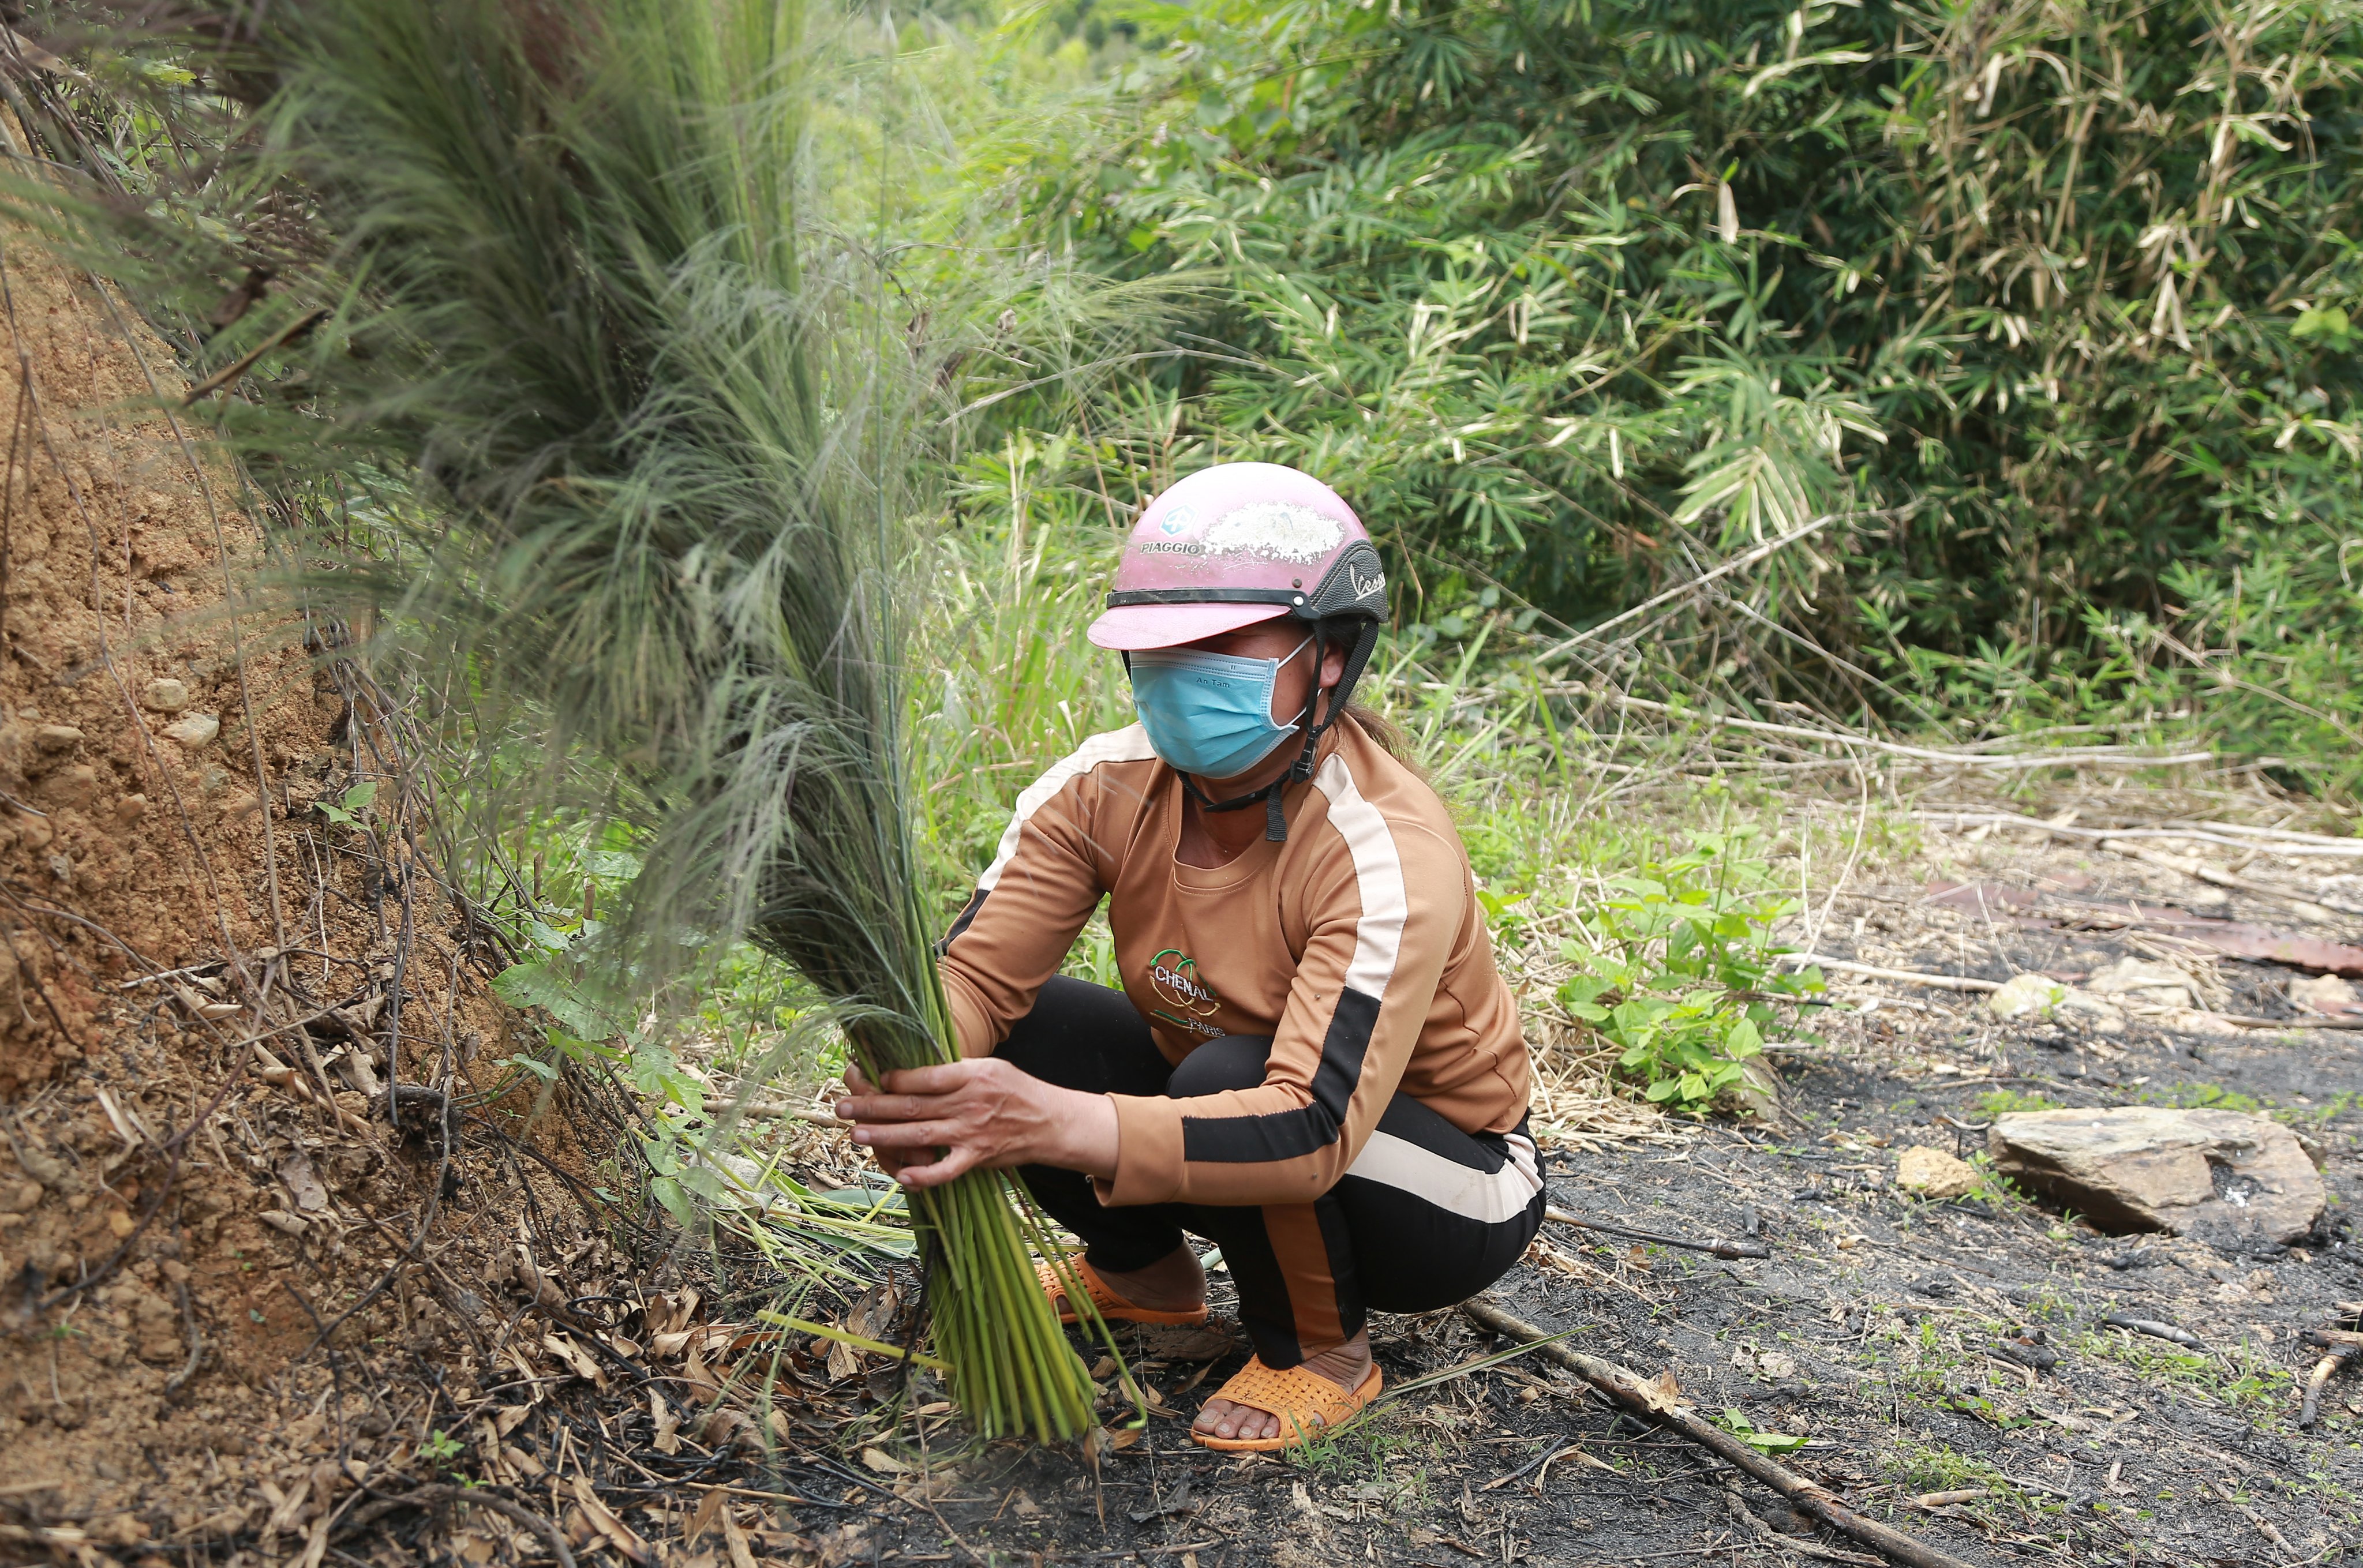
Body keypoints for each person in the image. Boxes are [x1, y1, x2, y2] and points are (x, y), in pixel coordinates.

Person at [836, 463, 1542, 1451]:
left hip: (1445, 1182)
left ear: (1329, 655)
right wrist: (915, 1072)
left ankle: (1324, 1351)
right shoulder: (1101, 788)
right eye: (1160, 649)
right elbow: (975, 979)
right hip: (1234, 1108)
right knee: (1030, 1035)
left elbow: (1312, 1124)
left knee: (1226, 1074)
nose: (1179, 671)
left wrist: (1056, 1121)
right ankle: (1143, 1277)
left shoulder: (1383, 849)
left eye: (1219, 643)